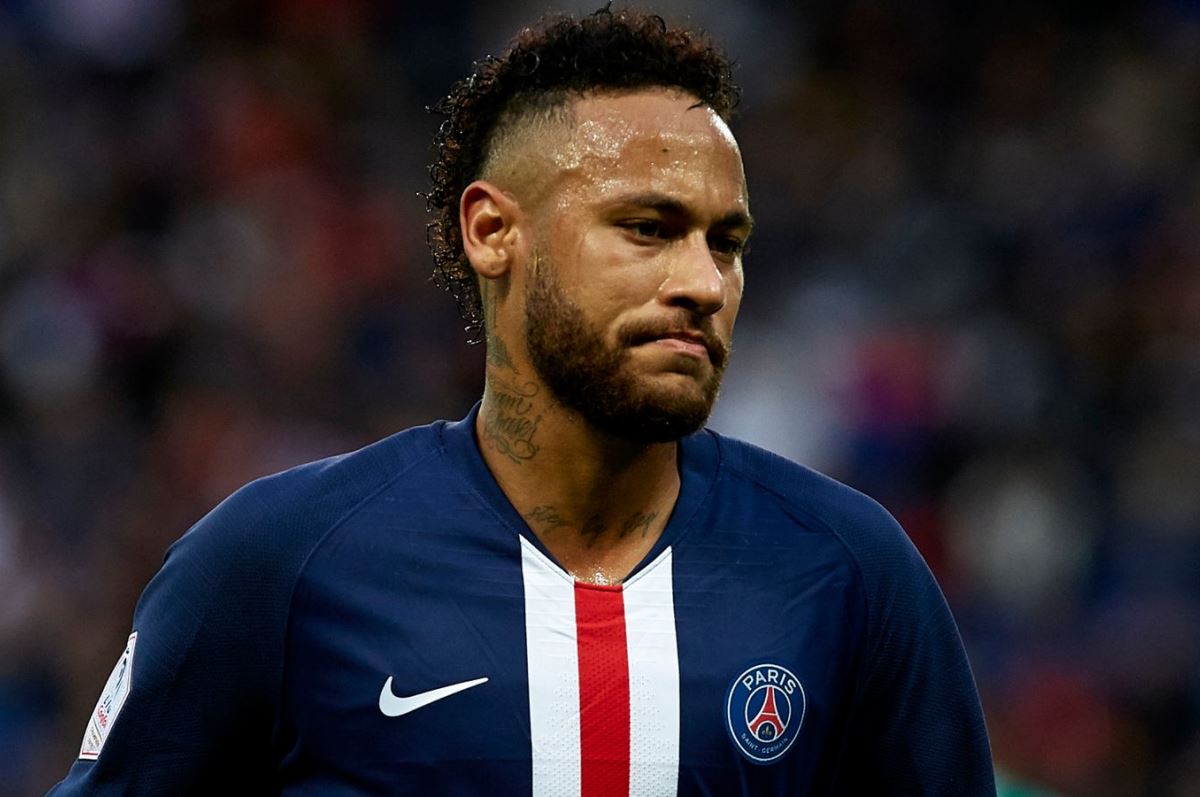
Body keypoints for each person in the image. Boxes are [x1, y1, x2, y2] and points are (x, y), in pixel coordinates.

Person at [49, 6, 994, 795]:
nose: (704, 283)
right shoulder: (278, 562)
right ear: (493, 230)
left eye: (727, 242)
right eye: (648, 227)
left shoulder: (850, 572)